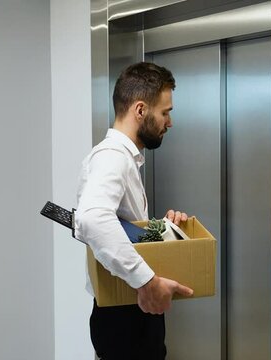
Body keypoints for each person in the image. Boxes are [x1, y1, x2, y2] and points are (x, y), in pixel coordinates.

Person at [74, 62, 192, 360]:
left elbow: (118, 225)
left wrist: (160, 230)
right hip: (124, 318)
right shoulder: (112, 157)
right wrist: (147, 282)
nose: (169, 122)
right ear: (140, 110)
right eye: (165, 112)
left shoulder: (124, 159)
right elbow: (92, 219)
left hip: (130, 315)